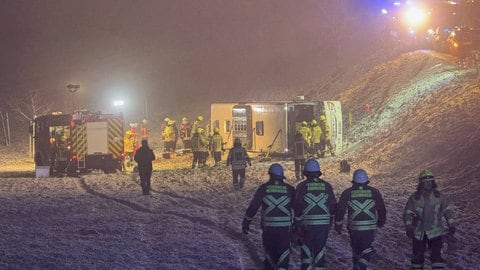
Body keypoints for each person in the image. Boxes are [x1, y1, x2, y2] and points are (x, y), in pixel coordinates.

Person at [242, 163, 295, 270]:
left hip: (268, 228)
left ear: (270, 175)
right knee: (283, 254)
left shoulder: (263, 188)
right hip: (285, 229)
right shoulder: (290, 189)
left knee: (270, 255)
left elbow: (253, 206)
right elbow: (298, 208)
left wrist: (246, 222)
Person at [403, 170, 456, 270]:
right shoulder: (414, 198)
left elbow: (448, 211)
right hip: (419, 234)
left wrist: (451, 225)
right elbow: (407, 213)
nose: (428, 184)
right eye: (425, 182)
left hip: (435, 233)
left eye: (430, 181)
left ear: (433, 182)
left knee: (437, 260)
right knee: (417, 260)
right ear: (421, 183)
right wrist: (409, 227)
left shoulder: (439, 197)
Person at [335, 169, 386, 270]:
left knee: (356, 250)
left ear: (353, 180)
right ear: (366, 180)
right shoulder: (374, 192)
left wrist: (338, 224)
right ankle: (361, 267)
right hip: (369, 228)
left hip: (354, 228)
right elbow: (381, 208)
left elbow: (340, 210)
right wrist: (381, 221)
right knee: (366, 249)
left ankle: (357, 266)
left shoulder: (347, 193)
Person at [293, 159, 336, 270]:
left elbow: (297, 206)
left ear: (306, 173)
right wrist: (329, 223)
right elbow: (333, 206)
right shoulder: (327, 186)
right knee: (320, 249)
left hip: (307, 224)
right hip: (323, 224)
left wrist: (297, 223)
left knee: (306, 249)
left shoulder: (302, 186)